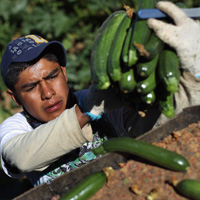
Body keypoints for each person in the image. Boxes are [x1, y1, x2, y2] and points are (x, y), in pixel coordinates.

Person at [0, 1, 199, 187]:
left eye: (52, 76)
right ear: (15, 97)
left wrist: (193, 74)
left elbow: (163, 124)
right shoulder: (16, 127)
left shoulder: (103, 101)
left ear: (64, 73)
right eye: (31, 87)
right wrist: (84, 111)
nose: (48, 93)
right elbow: (20, 158)